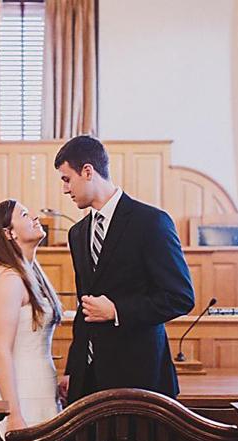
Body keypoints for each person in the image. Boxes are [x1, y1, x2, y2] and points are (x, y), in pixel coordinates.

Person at [54, 135, 195, 405]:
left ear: (87, 171)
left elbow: (180, 297)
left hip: (140, 376)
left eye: (66, 179)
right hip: (88, 381)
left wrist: (117, 310)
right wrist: (74, 369)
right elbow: (85, 308)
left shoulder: (151, 222)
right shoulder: (77, 233)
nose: (65, 189)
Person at [0, 199, 73, 441]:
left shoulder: (32, 272)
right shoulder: (8, 279)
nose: (34, 217)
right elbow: (1, 351)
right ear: (9, 232)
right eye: (24, 214)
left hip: (43, 388)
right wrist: (14, 413)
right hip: (21, 393)